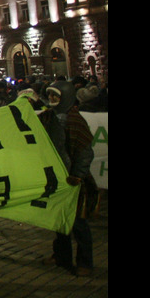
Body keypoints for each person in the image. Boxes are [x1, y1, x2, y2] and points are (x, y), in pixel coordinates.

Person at [43, 81, 97, 276]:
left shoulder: (75, 120)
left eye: (55, 97)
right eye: (49, 96)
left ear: (65, 97)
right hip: (56, 177)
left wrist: (77, 174)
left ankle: (85, 262)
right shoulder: (49, 117)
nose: (51, 100)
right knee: (60, 220)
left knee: (78, 224)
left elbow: (84, 151)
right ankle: (61, 255)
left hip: (72, 179)